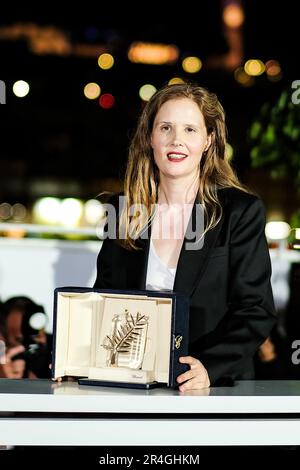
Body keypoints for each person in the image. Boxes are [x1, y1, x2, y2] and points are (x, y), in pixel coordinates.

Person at [93, 82, 276, 391]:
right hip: (135, 384)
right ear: (150, 137)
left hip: (214, 386)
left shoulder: (239, 212)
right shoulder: (124, 211)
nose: (176, 141)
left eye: (190, 130)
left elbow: (255, 310)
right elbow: (105, 298)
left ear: (208, 140)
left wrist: (209, 368)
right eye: (166, 128)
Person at [0, 296, 52, 379]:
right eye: (20, 340)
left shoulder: (57, 348)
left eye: (37, 335)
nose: (36, 342)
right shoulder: (3, 354)